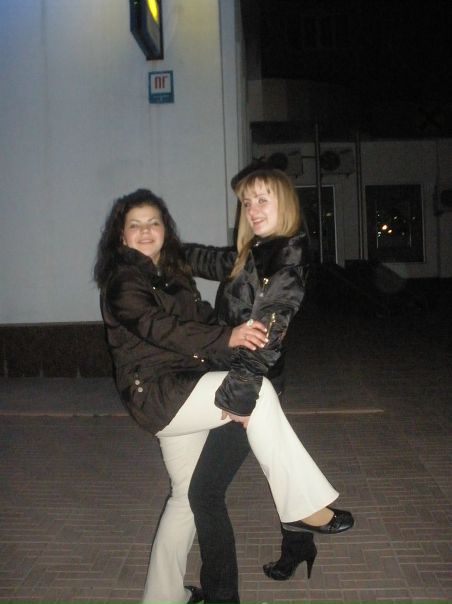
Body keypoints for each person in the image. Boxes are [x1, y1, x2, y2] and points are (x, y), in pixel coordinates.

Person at [94, 187, 353, 604]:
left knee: (185, 498)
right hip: (160, 394)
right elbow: (160, 328)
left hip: (184, 387)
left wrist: (278, 250)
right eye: (135, 225)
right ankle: (303, 505)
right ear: (121, 236)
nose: (145, 231)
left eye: (153, 222)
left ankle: (163, 596)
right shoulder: (123, 281)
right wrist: (227, 338)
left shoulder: (173, 270)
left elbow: (214, 295)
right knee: (258, 393)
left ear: (165, 230)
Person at [185, 166, 349, 603]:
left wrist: (240, 400)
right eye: (247, 202)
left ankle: (222, 595)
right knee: (275, 456)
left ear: (285, 203)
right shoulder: (256, 250)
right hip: (248, 379)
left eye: (263, 200)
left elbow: (266, 335)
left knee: (204, 491)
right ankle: (299, 543)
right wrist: (165, 249)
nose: (253, 209)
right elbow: (213, 260)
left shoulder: (285, 261)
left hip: (248, 383)